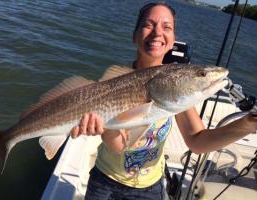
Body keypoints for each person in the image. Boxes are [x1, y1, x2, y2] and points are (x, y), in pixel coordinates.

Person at [70, 2, 257, 200]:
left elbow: (198, 142)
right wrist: (107, 129)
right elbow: (118, 147)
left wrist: (246, 124)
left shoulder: (173, 88)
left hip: (149, 188)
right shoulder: (115, 84)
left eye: (166, 27)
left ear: (173, 40)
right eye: (148, 25)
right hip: (104, 182)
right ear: (134, 35)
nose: (157, 32)